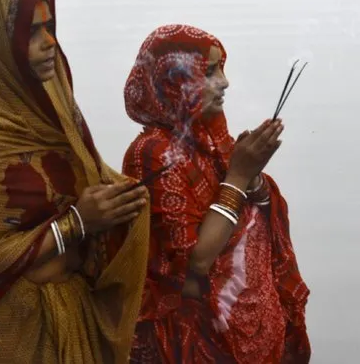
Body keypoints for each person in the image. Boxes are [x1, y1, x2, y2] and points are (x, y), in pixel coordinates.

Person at [0, 0, 151, 363]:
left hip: (71, 315)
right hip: (12, 334)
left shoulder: (51, 120)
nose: (49, 42)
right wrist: (77, 222)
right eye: (32, 32)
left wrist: (122, 199)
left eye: (50, 28)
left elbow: (85, 185)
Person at [122, 24, 310, 363]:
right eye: (209, 71)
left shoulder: (211, 139)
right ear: (173, 80)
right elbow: (195, 262)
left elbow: (259, 211)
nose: (224, 82)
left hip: (240, 327)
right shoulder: (151, 153)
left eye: (222, 68)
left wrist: (252, 177)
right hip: (185, 338)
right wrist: (239, 175)